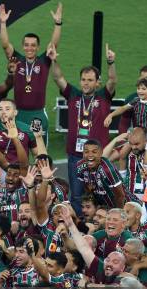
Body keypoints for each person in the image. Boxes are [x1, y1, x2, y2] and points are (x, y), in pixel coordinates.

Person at [48, 43, 117, 215]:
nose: (86, 83)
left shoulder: (103, 96)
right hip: (76, 155)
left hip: (98, 157)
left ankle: (99, 226)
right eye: (84, 80)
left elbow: (113, 80)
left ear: (97, 82)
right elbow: (58, 78)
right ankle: (79, 227)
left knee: (101, 194)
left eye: (90, 80)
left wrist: (111, 63)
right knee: (77, 196)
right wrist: (54, 60)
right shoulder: (73, 94)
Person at [0, 2, 63, 141]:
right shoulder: (17, 60)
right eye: (26, 45)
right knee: (19, 150)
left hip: (38, 114)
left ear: (38, 47)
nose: (30, 48)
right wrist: (3, 23)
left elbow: (54, 45)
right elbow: (5, 45)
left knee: (40, 154)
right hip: (19, 114)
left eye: (33, 45)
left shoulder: (44, 61)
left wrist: (58, 23)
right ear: (22, 46)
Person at [104, 77, 147, 165]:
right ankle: (124, 175)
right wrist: (111, 115)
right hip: (137, 133)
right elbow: (123, 108)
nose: (140, 91)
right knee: (122, 154)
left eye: (143, 89)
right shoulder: (136, 101)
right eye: (138, 88)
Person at [0, 99, 36, 171]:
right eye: (0, 109)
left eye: (7, 109)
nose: (3, 112)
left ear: (15, 112)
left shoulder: (27, 130)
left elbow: (36, 154)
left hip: (21, 172)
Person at [75, 139, 129, 209]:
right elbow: (87, 189)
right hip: (104, 207)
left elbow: (120, 196)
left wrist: (117, 213)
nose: (90, 155)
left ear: (101, 153)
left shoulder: (107, 169)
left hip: (125, 206)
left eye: (94, 152)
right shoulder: (80, 166)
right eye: (86, 152)